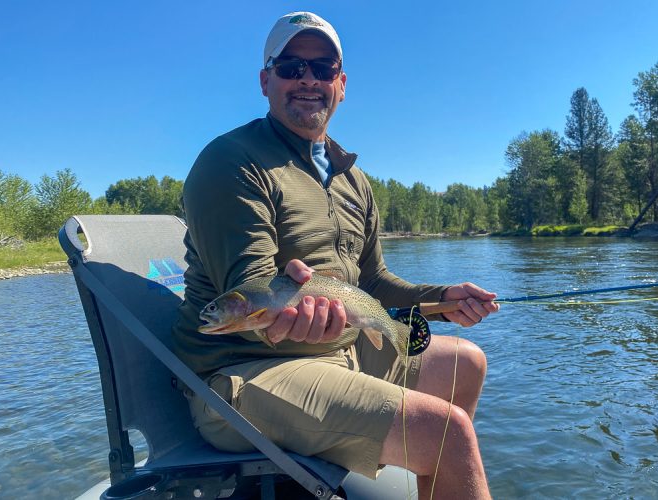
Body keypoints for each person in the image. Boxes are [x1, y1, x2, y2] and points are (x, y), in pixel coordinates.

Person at [173, 11, 499, 499]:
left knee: (466, 363)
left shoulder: (352, 179)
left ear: (341, 84)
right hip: (243, 370)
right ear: (266, 81)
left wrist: (443, 296)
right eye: (290, 67)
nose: (308, 79)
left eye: (323, 68)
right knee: (448, 432)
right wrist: (281, 313)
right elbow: (250, 282)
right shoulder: (232, 160)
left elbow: (374, 282)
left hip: (336, 349)